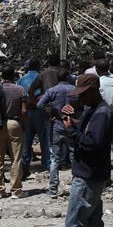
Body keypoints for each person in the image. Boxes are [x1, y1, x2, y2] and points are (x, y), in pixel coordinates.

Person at [53, 74, 113, 227]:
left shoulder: (101, 112)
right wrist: (72, 120)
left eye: (83, 94)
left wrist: (70, 130)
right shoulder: (94, 110)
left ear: (93, 90)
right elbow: (88, 133)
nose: (81, 99)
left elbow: (91, 143)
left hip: (88, 177)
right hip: (94, 175)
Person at [37, 68, 78, 197]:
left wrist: (53, 113)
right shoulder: (75, 90)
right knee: (74, 156)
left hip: (57, 126)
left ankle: (53, 189)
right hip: (72, 126)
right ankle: (76, 188)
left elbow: (40, 105)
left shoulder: (52, 91)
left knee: (55, 158)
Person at [0, 66, 28, 199]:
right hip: (14, 123)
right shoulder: (19, 90)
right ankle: (16, 190)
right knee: (16, 158)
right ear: (13, 75)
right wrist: (24, 125)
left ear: (2, 75)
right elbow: (24, 111)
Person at [19, 58, 51, 174]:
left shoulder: (22, 79)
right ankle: (47, 164)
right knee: (44, 139)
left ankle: (25, 165)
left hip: (26, 111)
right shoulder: (43, 77)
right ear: (38, 66)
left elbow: (20, 95)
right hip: (40, 110)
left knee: (27, 140)